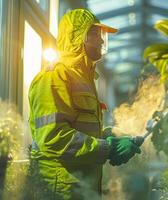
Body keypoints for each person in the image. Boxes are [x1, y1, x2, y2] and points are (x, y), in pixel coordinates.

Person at [28, 9, 141, 199]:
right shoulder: (54, 76)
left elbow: (80, 128)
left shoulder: (85, 79)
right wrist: (108, 148)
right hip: (60, 188)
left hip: (81, 186)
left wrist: (110, 134)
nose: (103, 41)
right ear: (78, 37)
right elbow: (53, 137)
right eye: (96, 34)